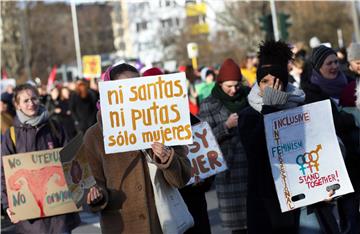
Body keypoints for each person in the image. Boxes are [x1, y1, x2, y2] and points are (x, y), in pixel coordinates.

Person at [82, 63, 192, 234]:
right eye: (124, 87)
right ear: (110, 92)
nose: (132, 92)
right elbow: (91, 184)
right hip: (122, 227)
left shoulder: (163, 123)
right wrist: (96, 196)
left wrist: (167, 159)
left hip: (161, 224)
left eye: (137, 86)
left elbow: (181, 180)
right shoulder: (94, 136)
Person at [238, 40, 305, 234]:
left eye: (274, 82)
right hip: (265, 199)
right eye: (264, 82)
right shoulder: (249, 114)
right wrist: (269, 110)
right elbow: (254, 151)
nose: (269, 88)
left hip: (299, 192)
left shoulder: (300, 107)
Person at [1, 83, 80, 233]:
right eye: (25, 101)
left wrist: (80, 190)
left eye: (34, 98)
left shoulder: (55, 127)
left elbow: (72, 161)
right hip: (30, 220)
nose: (31, 103)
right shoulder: (11, 135)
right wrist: (7, 204)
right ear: (17, 105)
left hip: (59, 215)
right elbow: (3, 172)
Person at [302, 44, 358, 233]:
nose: (334, 66)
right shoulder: (310, 94)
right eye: (329, 63)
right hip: (331, 165)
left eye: (336, 61)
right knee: (345, 219)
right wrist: (352, 118)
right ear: (318, 66)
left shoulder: (351, 85)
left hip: (355, 158)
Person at [198, 58, 250, 234]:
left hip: (252, 168)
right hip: (228, 171)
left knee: (258, 222)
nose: (233, 90)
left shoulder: (250, 97)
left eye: (236, 85)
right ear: (220, 83)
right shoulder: (208, 104)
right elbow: (202, 140)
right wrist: (226, 126)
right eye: (229, 86)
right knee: (238, 228)